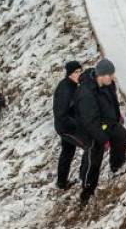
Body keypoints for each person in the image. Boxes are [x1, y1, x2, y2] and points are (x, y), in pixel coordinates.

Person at [76, 58, 126, 207]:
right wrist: (103, 139)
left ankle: (116, 166)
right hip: (92, 131)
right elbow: (89, 122)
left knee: (121, 134)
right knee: (94, 159)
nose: (113, 77)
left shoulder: (108, 85)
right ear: (101, 75)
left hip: (108, 124)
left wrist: (117, 116)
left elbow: (113, 101)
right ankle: (87, 191)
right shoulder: (86, 94)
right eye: (110, 75)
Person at [52, 60, 87, 190]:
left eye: (80, 71)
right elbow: (61, 114)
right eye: (76, 72)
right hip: (67, 128)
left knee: (67, 152)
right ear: (69, 74)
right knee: (90, 146)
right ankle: (85, 180)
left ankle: (61, 183)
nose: (79, 74)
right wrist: (77, 126)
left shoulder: (73, 85)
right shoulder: (65, 90)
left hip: (67, 126)